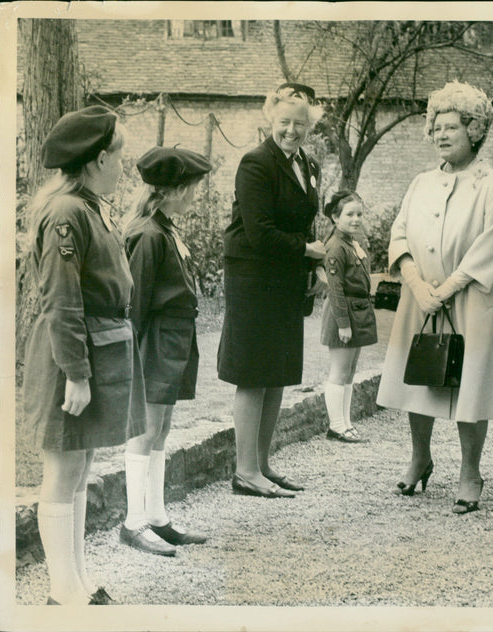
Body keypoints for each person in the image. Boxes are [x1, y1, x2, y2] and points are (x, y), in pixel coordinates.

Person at [23, 105, 144, 604]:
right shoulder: (67, 213)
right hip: (69, 356)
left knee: (80, 466)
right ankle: (61, 591)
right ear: (97, 159)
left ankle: (73, 581)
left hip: (94, 349)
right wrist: (75, 373)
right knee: (64, 469)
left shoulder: (88, 205)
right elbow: (61, 299)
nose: (124, 166)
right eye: (119, 156)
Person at [377, 80, 493, 514]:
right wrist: (417, 286)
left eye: (451, 126)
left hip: (471, 297)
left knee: (470, 384)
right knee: (421, 377)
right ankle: (420, 457)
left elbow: (489, 246)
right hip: (421, 296)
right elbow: (398, 234)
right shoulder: (420, 182)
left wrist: (447, 288)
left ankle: (470, 471)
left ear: (475, 130)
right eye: (435, 127)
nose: (441, 135)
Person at [217, 83, 325, 497]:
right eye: (284, 122)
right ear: (270, 119)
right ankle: (245, 471)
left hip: (284, 279)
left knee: (277, 372)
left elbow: (303, 221)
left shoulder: (306, 163)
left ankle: (262, 465)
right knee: (253, 373)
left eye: (300, 124)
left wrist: (313, 265)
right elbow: (259, 233)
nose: (291, 131)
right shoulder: (256, 163)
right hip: (253, 278)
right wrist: (307, 250)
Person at [119, 147, 212, 557]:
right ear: (174, 190)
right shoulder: (147, 234)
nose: (195, 195)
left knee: (162, 429)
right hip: (154, 342)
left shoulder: (165, 227)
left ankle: (156, 517)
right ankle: (132, 522)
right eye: (192, 187)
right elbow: (134, 305)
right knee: (145, 431)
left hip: (174, 341)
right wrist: (131, 360)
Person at [320, 190, 378, 443]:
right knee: (339, 371)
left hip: (358, 312)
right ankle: (336, 425)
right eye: (349, 214)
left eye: (359, 214)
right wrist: (343, 324)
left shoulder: (352, 243)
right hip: (342, 313)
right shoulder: (335, 245)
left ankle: (346, 423)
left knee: (351, 371)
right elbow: (335, 288)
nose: (356, 219)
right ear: (335, 217)